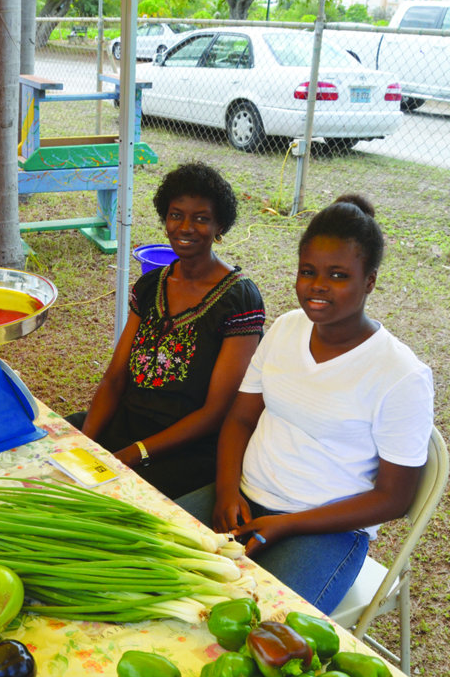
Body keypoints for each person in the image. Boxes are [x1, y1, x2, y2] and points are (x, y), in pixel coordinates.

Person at [177, 195, 434, 614]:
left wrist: (287, 524)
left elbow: (393, 497)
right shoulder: (285, 329)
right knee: (145, 559)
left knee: (262, 623)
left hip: (326, 530)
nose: (317, 286)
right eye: (308, 271)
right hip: (243, 498)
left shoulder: (401, 374)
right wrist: (225, 491)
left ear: (369, 281)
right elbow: (240, 419)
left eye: (338, 275)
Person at [69, 162, 265, 499]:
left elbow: (215, 412)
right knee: (52, 447)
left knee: (113, 499)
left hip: (187, 448)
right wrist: (86, 442)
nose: (185, 227)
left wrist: (135, 454)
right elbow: (115, 378)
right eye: (176, 215)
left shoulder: (238, 299)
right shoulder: (150, 286)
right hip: (127, 425)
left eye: (201, 218)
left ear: (219, 225)